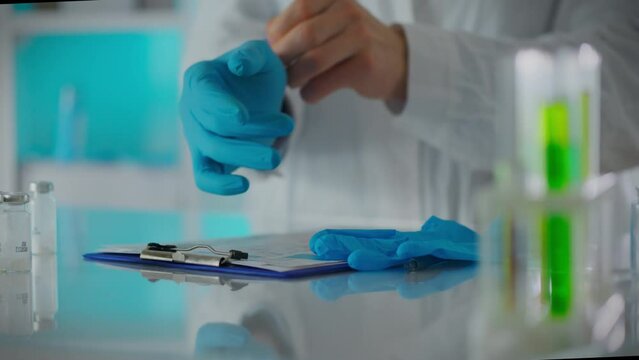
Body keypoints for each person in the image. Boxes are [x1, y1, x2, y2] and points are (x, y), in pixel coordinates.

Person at [181, 0, 639, 234]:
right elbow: (231, 26)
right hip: (304, 297)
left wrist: (417, 68)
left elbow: (624, 88)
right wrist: (247, 106)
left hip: (518, 284)